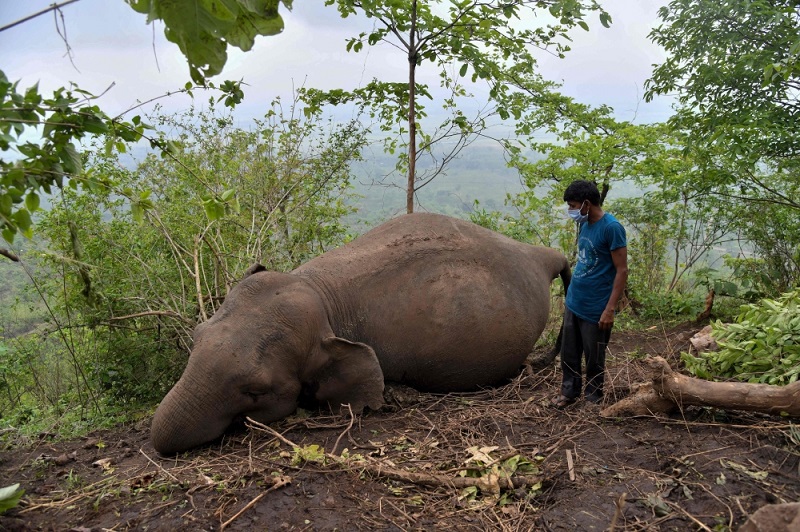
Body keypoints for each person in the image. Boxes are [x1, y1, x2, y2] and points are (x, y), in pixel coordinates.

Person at [552, 179, 628, 408]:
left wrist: (610, 309)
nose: (571, 210)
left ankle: (593, 398)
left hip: (596, 306)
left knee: (594, 357)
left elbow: (622, 270)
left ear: (587, 203)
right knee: (569, 353)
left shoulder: (612, 228)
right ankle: (569, 392)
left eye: (573, 205)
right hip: (575, 300)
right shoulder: (584, 225)